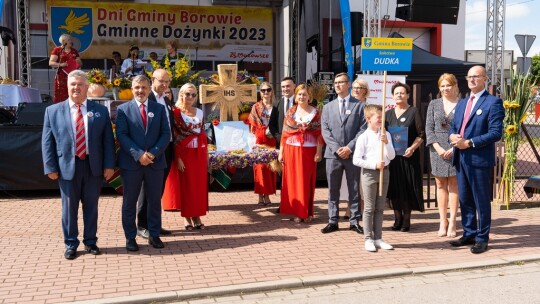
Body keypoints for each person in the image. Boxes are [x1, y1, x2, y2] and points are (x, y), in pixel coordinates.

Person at [42, 70, 115, 259]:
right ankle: (71, 244)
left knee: (91, 206)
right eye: (73, 84)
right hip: (67, 167)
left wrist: (109, 165)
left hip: (93, 167)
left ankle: (91, 242)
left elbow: (108, 140)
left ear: (87, 87)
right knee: (69, 208)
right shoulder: (53, 111)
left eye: (80, 84)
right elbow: (47, 142)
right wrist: (50, 166)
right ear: (67, 87)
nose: (76, 88)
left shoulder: (100, 111)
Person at [449, 65, 504, 254]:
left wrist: (470, 143)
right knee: (465, 199)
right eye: (469, 77)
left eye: (476, 76)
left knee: (481, 200)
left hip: (479, 158)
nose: (472, 80)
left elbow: (496, 133)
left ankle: (482, 238)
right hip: (461, 156)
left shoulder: (493, 103)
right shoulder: (462, 103)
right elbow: (454, 127)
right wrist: (452, 137)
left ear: (484, 79)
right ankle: (469, 233)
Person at [116, 75, 171, 251]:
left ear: (149, 88)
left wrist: (153, 153)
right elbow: (122, 135)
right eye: (137, 87)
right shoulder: (123, 109)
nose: (140, 91)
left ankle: (154, 235)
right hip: (132, 164)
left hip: (155, 164)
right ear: (132, 89)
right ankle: (130, 237)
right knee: (129, 202)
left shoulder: (159, 109)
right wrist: (139, 155)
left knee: (154, 201)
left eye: (144, 87)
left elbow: (165, 134)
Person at [321, 72, 366, 235]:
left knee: (354, 189)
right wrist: (336, 148)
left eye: (341, 82)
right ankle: (333, 221)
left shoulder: (359, 106)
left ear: (349, 84)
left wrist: (349, 148)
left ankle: (354, 221)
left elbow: (363, 129)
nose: (338, 85)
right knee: (333, 189)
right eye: (336, 83)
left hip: (352, 154)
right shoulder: (327, 107)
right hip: (332, 156)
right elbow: (325, 131)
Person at [162, 83, 209, 230]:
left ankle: (197, 215)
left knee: (198, 187)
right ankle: (187, 218)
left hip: (199, 154)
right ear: (181, 94)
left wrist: (207, 155)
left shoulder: (200, 112)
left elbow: (201, 134)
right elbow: (175, 137)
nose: (190, 97)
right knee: (187, 187)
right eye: (187, 94)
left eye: (193, 95)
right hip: (184, 155)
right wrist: (178, 158)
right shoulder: (176, 113)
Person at [135, 69, 174, 239]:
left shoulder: (165, 100)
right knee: (147, 190)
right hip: (151, 152)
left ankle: (154, 223)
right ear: (152, 80)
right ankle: (142, 225)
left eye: (167, 82)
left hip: (167, 149)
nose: (164, 85)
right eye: (161, 81)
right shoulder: (145, 97)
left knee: (158, 189)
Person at [352, 104, 395, 252]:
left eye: (382, 117)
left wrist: (387, 143)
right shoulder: (363, 137)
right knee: (369, 208)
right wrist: (373, 164)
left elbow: (392, 156)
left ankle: (378, 237)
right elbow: (356, 160)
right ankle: (368, 238)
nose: (381, 119)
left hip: (385, 173)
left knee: (380, 208)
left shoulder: (386, 134)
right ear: (368, 118)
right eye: (378, 117)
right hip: (369, 174)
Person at [278, 84, 323, 223]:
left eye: (304, 94)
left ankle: (307, 212)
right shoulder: (290, 112)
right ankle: (297, 212)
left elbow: (320, 134)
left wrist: (319, 152)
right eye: (299, 94)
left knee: (306, 182)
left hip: (309, 150)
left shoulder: (316, 112)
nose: (302, 97)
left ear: (309, 96)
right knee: (293, 182)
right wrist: (281, 152)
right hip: (291, 149)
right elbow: (285, 134)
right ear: (295, 96)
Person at [386, 82, 425, 232]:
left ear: (408, 95)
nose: (399, 95)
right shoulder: (387, 114)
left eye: (402, 93)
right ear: (393, 96)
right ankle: (397, 219)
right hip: (393, 159)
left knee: (407, 188)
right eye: (396, 93)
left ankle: (407, 220)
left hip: (409, 158)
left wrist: (412, 148)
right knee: (394, 189)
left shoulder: (414, 112)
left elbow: (421, 134)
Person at [425, 73, 460, 238]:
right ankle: (442, 221)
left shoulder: (462, 104)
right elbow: (428, 128)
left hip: (456, 148)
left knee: (454, 184)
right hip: (437, 148)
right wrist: (437, 147)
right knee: (440, 184)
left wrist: (455, 148)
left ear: (455, 86)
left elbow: (466, 129)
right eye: (442, 86)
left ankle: (453, 221)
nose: (446, 88)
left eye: (448, 85)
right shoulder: (434, 104)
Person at [340, 77, 371, 219]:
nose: (357, 90)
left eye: (360, 87)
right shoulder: (348, 106)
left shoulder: (369, 108)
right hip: (351, 148)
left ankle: (363, 208)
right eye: (355, 87)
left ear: (365, 91)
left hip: (366, 148)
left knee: (362, 180)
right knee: (350, 181)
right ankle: (349, 207)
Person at [248, 82, 279, 206]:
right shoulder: (256, 107)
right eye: (263, 90)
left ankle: (267, 195)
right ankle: (261, 196)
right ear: (260, 92)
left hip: (271, 140)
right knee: (259, 168)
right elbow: (252, 124)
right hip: (259, 140)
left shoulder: (276, 106)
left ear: (272, 91)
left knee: (270, 168)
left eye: (268, 90)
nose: (266, 92)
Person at [49, 34, 82, 103]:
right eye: (69, 40)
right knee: (61, 94)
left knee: (72, 92)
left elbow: (80, 64)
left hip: (73, 76)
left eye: (70, 40)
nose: (71, 41)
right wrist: (61, 64)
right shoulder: (57, 50)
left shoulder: (74, 51)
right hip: (61, 76)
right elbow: (51, 63)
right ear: (64, 42)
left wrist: (79, 62)